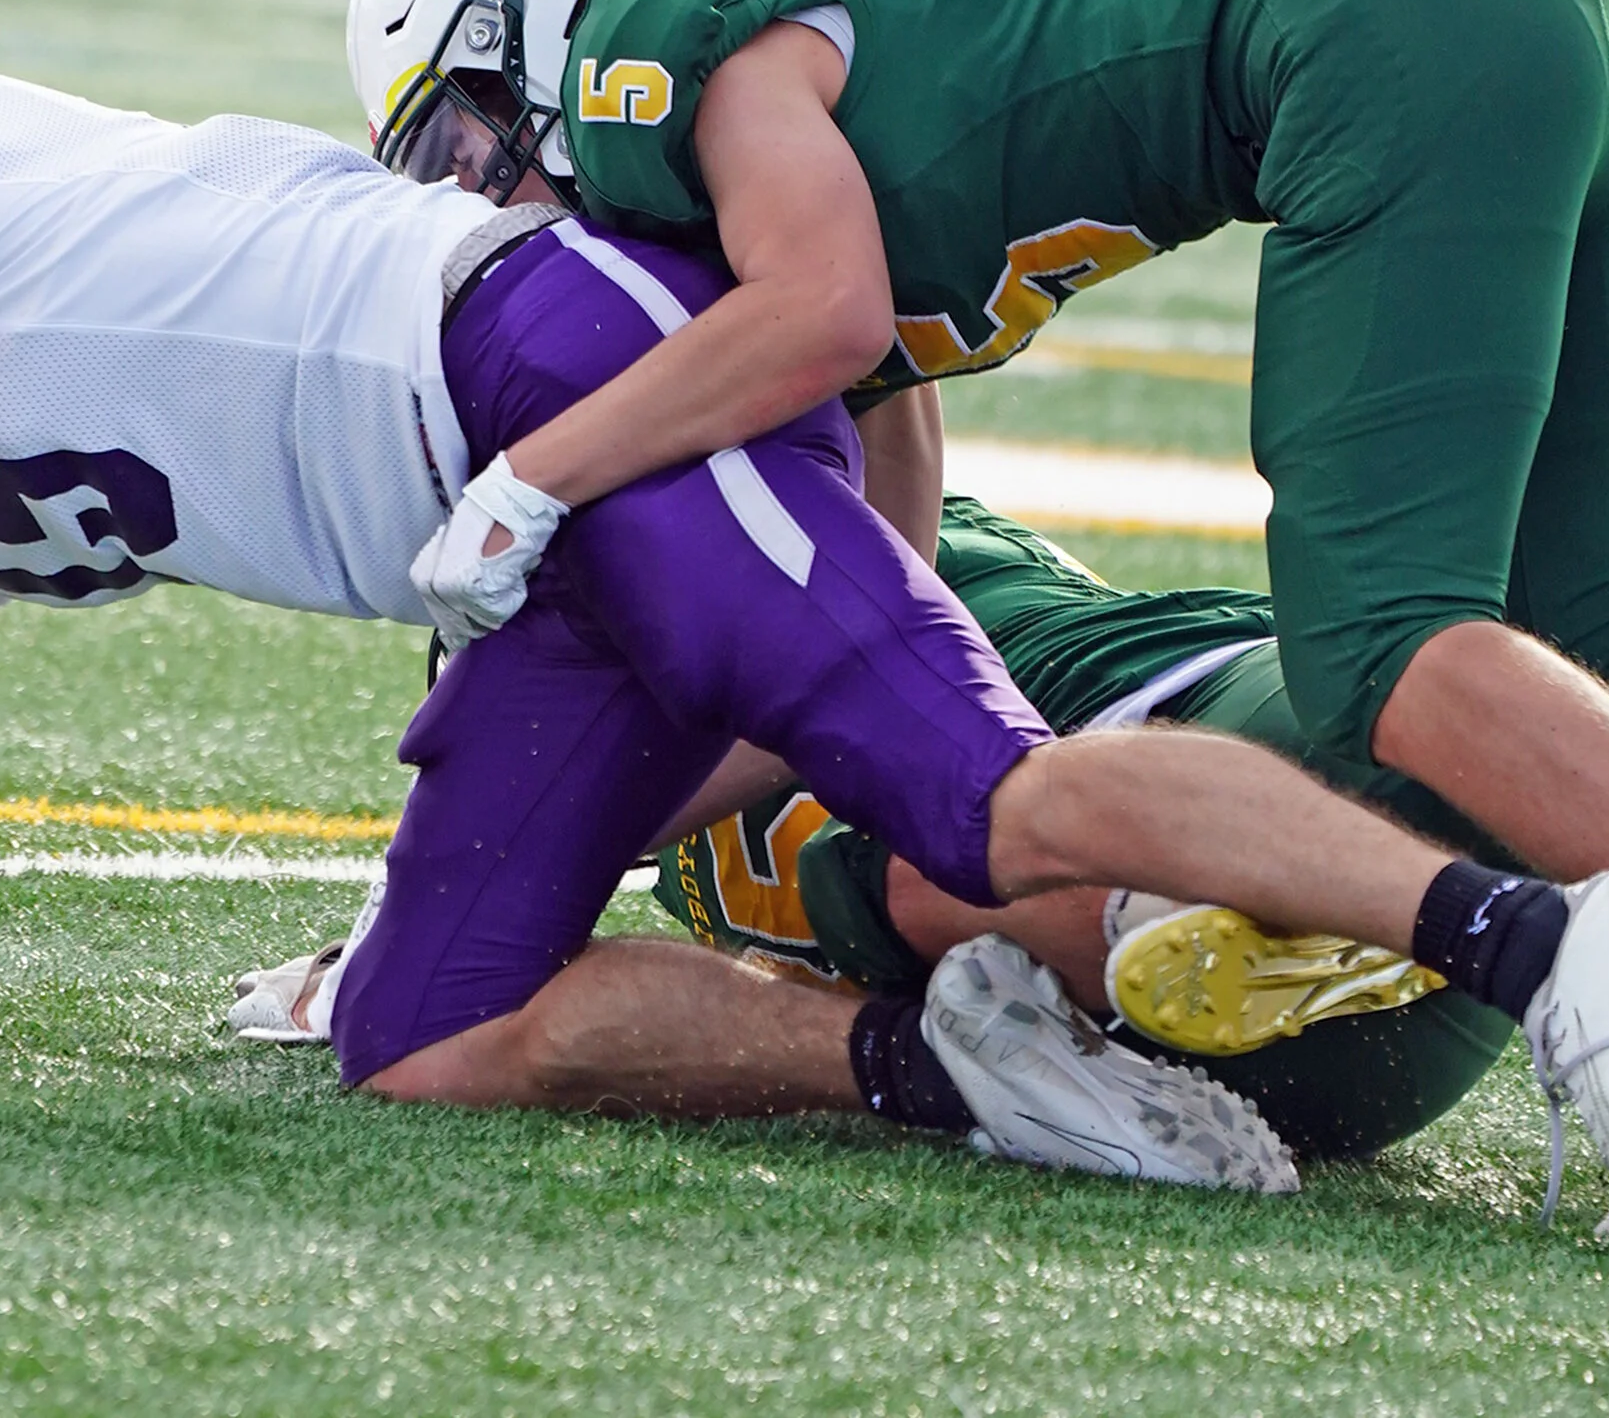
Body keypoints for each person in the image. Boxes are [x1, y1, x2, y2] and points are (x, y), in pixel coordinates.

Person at [0, 0, 1609, 1239]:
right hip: (515, 558)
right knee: (423, 1035)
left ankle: (1555, 944)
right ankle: (954, 1075)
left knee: (984, 799)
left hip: (561, 384)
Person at [348, 0, 1609, 916]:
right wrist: (545, 828)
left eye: (457, 148)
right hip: (1518, 8)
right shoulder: (768, 197)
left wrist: (528, 474)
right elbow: (883, 598)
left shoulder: (641, 60)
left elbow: (830, 312)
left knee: (1381, 643)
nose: (474, 205)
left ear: (531, 22)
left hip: (1399, 34)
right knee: (1595, 626)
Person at [235, 493, 1512, 1163]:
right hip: (1310, 1012)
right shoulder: (733, 561)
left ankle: (1210, 918)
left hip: (1232, 873)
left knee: (942, 860)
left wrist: (404, 933)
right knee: (940, 865)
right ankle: (1272, 922)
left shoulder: (769, 571)